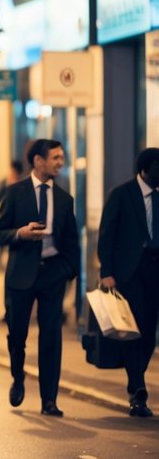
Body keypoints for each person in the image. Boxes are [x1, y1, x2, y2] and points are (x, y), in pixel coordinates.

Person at [0, 138, 79, 417]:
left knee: (51, 336)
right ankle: (18, 377)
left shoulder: (65, 199)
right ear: (38, 161)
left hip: (53, 273)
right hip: (21, 274)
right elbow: (0, 232)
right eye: (55, 158)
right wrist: (21, 233)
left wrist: (68, 271)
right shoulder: (15, 192)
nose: (60, 162)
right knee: (17, 334)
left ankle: (49, 400)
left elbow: (71, 240)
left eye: (61, 158)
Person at [96, 147, 159, 417]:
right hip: (128, 274)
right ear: (145, 169)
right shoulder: (121, 195)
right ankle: (137, 388)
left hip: (154, 272)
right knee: (134, 331)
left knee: (149, 331)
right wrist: (107, 271)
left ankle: (137, 378)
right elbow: (106, 235)